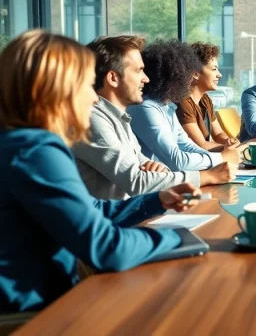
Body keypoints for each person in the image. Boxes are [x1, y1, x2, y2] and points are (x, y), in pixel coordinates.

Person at [0, 30, 201, 313]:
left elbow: (89, 210)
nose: (94, 99)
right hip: (36, 315)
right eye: (86, 85)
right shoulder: (34, 149)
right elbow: (106, 248)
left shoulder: (21, 143)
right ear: (57, 90)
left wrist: (155, 201)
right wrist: (179, 237)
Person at [72, 36, 236, 200]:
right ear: (113, 78)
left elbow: (143, 164)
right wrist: (208, 176)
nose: (146, 78)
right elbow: (137, 181)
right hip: (113, 220)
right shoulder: (91, 120)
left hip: (131, 211)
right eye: (138, 71)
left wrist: (158, 169)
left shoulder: (118, 116)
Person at [128, 40, 245, 172]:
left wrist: (224, 156)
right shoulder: (146, 108)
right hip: (157, 185)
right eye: (188, 73)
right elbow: (176, 161)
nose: (190, 79)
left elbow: (187, 146)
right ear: (173, 76)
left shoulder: (167, 106)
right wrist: (221, 158)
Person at [177, 42, 239, 149]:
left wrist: (228, 141)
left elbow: (218, 134)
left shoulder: (205, 99)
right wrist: (236, 150)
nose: (219, 74)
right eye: (214, 69)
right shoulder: (183, 102)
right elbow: (201, 145)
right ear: (195, 73)